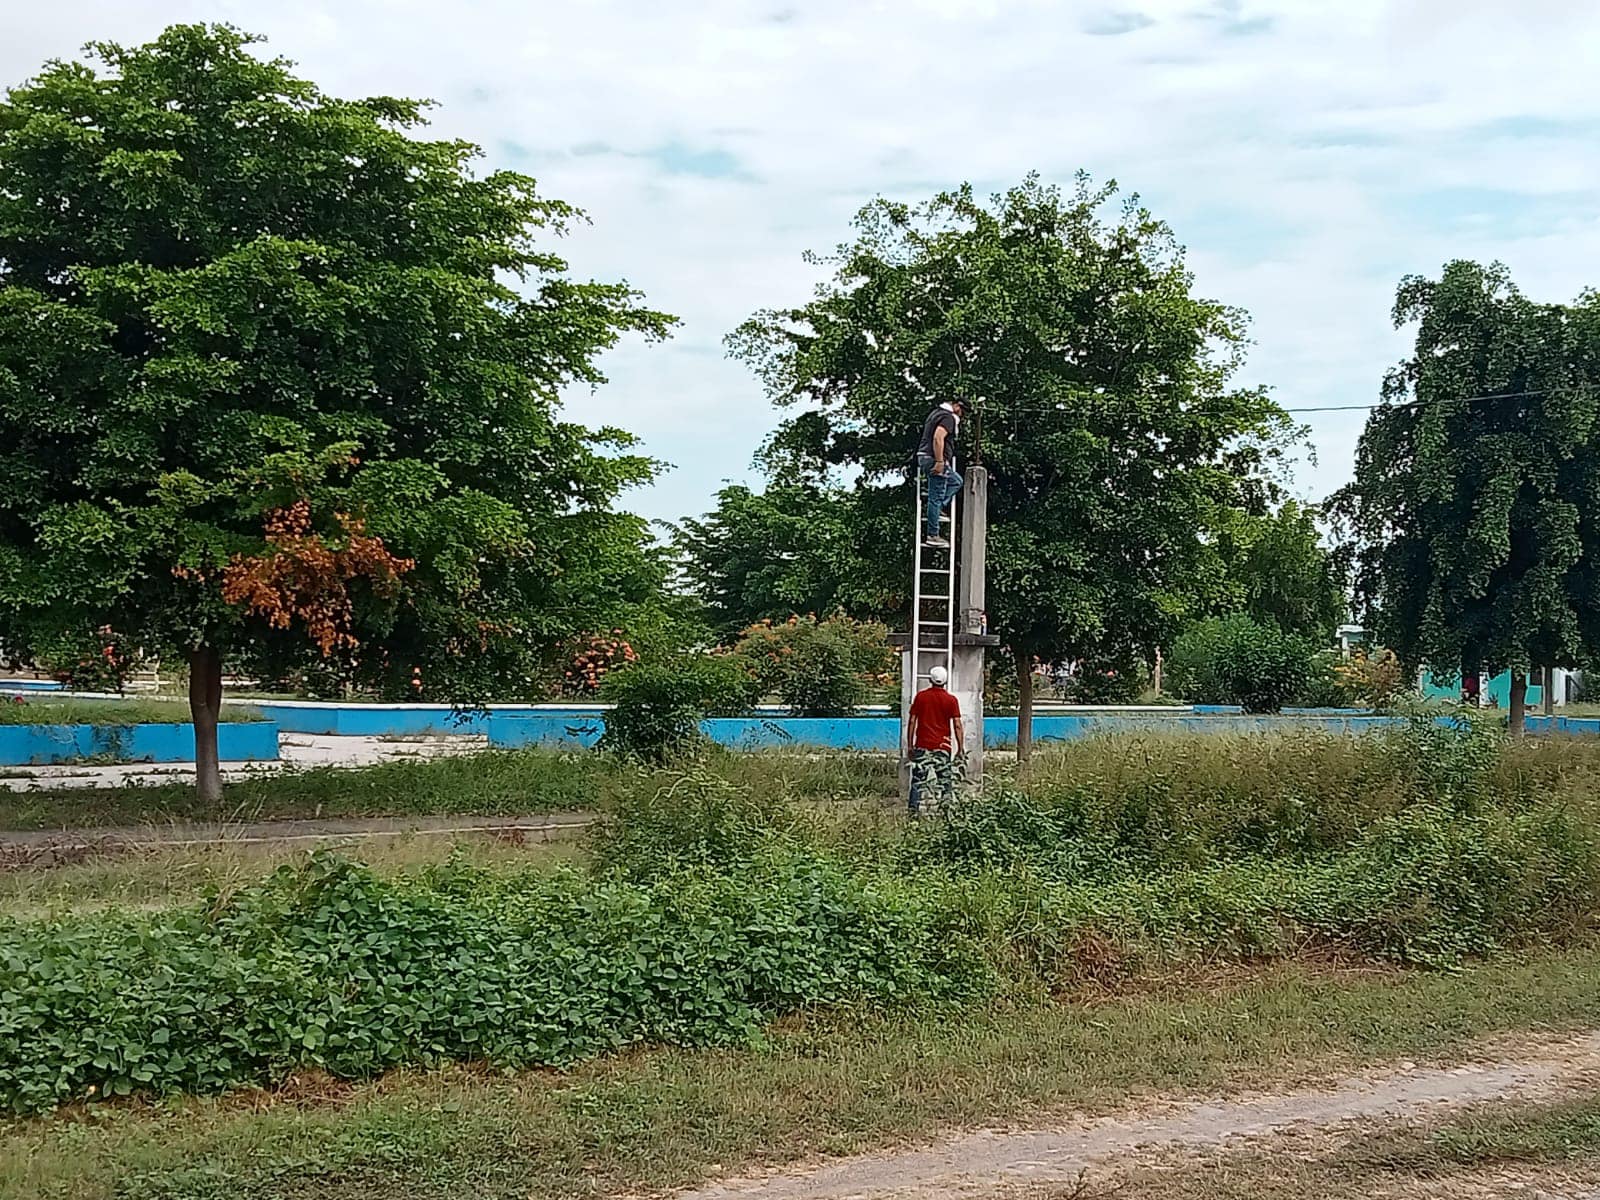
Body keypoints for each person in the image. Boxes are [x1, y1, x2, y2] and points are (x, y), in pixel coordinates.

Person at [906, 664, 964, 816]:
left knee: (918, 781)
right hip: (942, 746)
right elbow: (957, 725)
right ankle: (946, 814)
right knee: (945, 782)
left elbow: (912, 721)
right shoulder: (951, 700)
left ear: (930, 679)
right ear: (945, 681)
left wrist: (910, 745)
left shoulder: (921, 697)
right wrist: (960, 747)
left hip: (922, 745)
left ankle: (913, 815)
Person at [917, 398, 964, 547]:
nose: (962, 415)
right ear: (957, 406)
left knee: (956, 481)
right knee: (935, 497)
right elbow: (938, 438)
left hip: (925, 457)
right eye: (963, 411)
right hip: (934, 459)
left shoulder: (936, 413)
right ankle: (933, 534)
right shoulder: (948, 418)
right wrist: (939, 461)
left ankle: (937, 509)